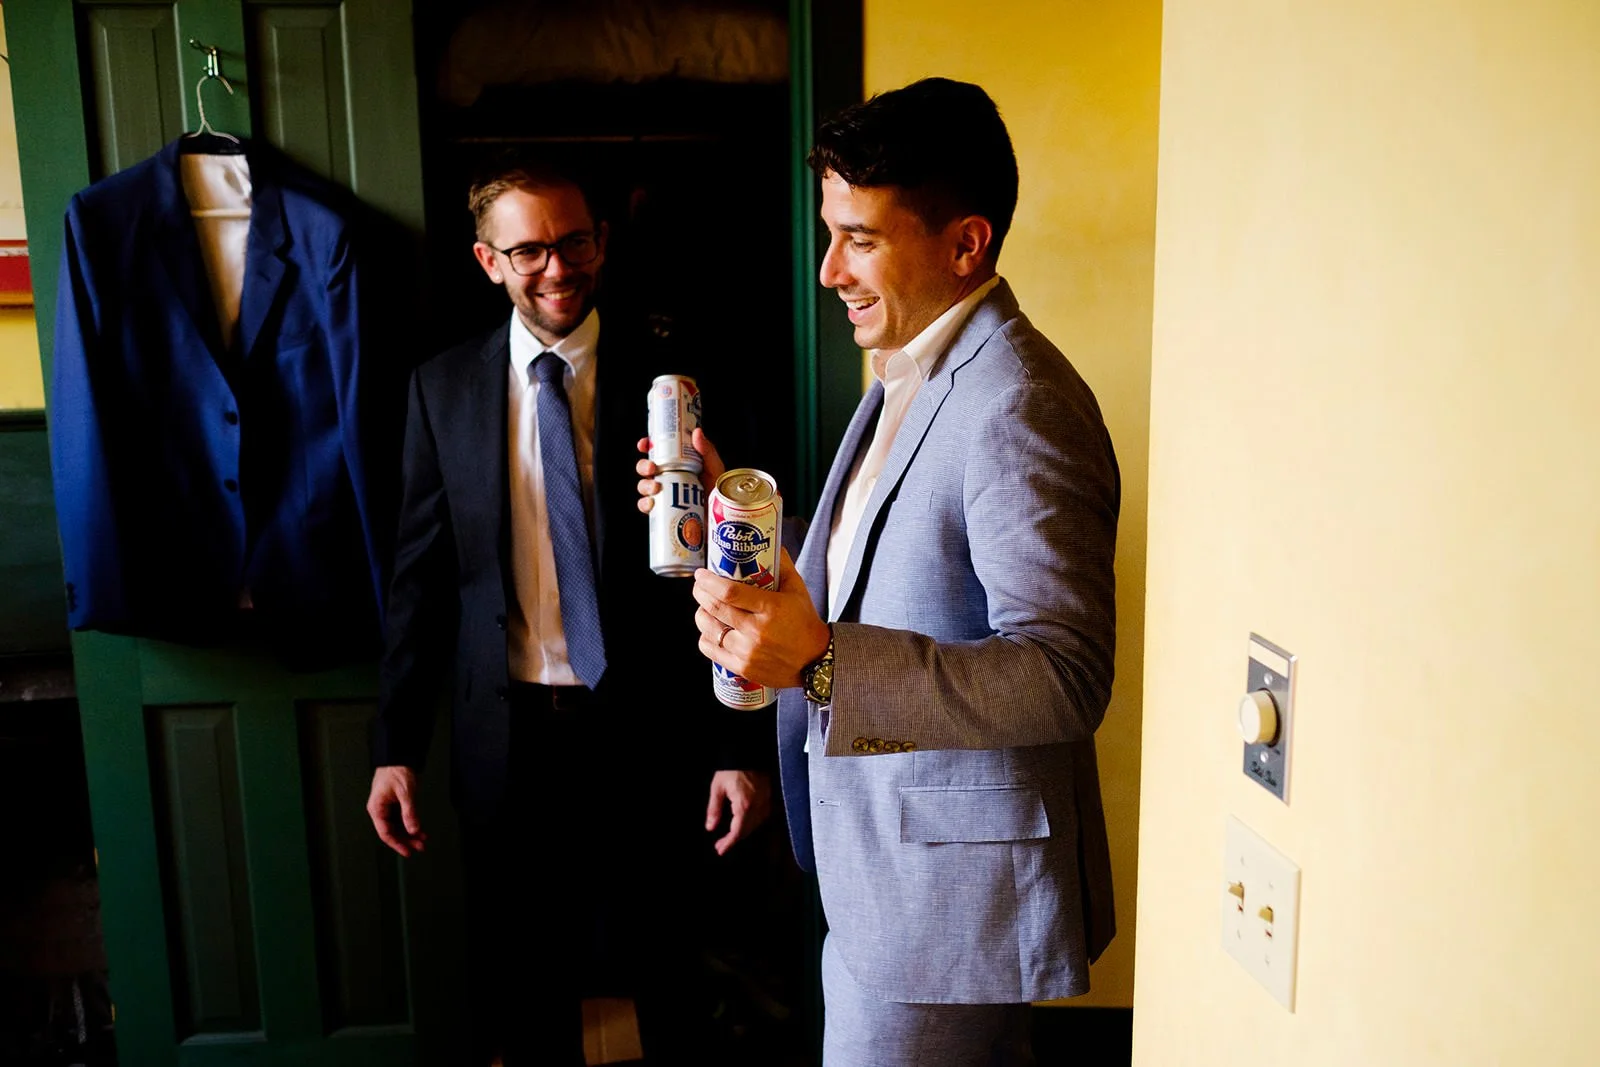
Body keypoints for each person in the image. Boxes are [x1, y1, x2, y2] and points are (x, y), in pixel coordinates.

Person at [638, 78, 1120, 1066]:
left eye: (859, 238)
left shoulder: (1018, 401)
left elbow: (1065, 672)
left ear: (965, 244)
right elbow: (884, 559)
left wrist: (822, 664)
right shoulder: (911, 366)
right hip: (880, 872)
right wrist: (734, 509)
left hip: (945, 908)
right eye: (831, 234)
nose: (829, 270)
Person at [367, 160, 772, 1066]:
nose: (558, 268)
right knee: (527, 985)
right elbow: (419, 582)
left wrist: (738, 746)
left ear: (602, 241)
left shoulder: (680, 376)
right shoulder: (441, 389)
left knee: (672, 975)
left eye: (575, 241)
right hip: (508, 736)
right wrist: (396, 746)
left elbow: (742, 568)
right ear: (489, 261)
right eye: (530, 250)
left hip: (652, 729)